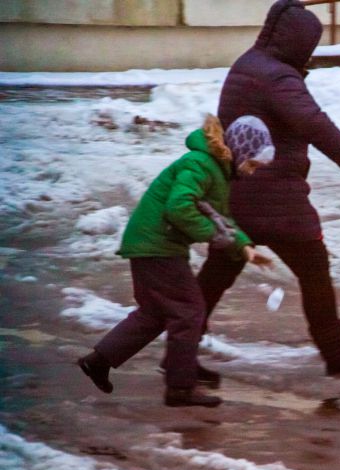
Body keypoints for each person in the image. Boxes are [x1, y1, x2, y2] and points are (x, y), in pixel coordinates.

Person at [197, 0, 340, 376]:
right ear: (298, 42)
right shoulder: (278, 77)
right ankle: (336, 354)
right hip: (273, 195)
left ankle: (179, 354)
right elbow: (312, 122)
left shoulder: (247, 64)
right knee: (314, 266)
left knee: (219, 270)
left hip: (239, 189)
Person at [77, 114, 274, 407]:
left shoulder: (215, 170)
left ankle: (99, 361)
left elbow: (222, 219)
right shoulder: (201, 164)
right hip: (158, 245)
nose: (253, 171)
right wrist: (212, 235)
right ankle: (180, 389)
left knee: (155, 313)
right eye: (253, 163)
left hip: (150, 243)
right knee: (189, 311)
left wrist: (244, 248)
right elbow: (178, 207)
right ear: (242, 150)